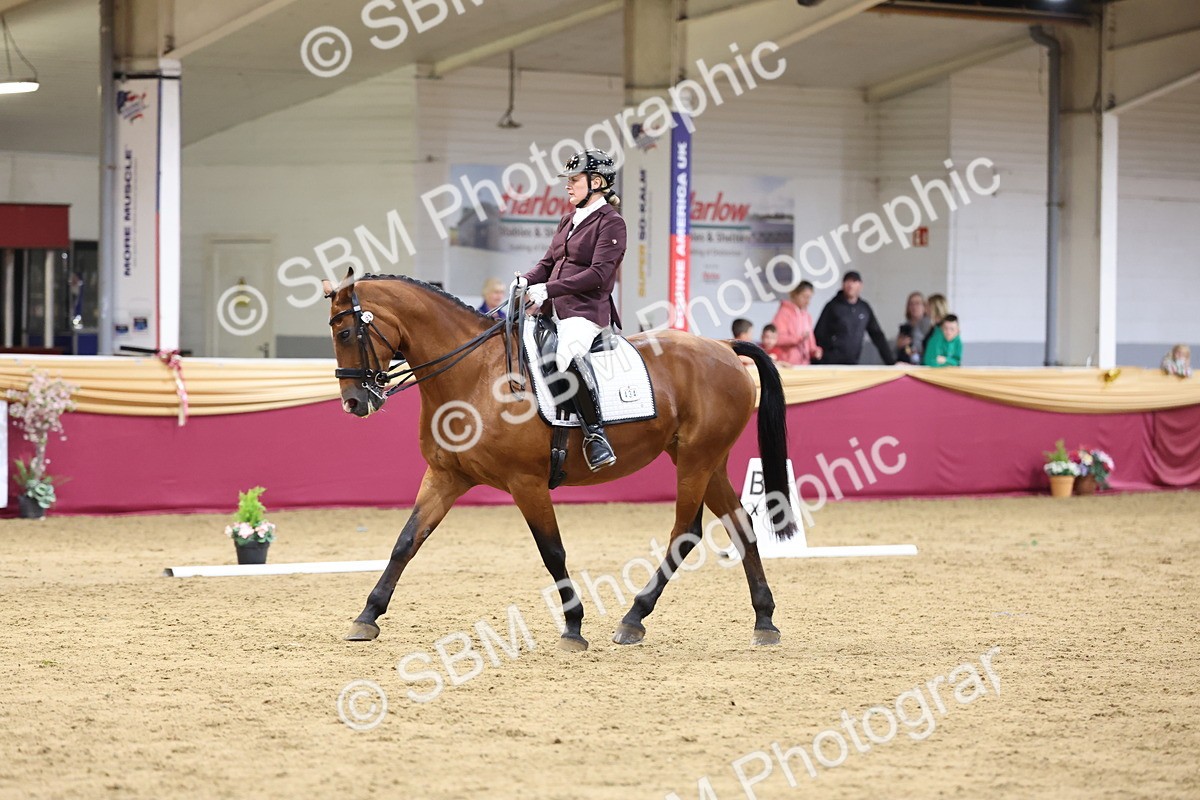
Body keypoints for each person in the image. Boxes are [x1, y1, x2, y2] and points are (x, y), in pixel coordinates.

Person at [520, 149, 625, 472]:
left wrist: (548, 288)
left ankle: (595, 436)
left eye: (574, 180)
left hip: (585, 313)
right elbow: (549, 262)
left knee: (565, 357)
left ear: (596, 183)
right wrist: (525, 280)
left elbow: (598, 275)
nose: (568, 186)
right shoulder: (568, 219)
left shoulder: (612, 223)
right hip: (552, 310)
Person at [812, 271, 894, 365]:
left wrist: (891, 362)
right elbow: (819, 334)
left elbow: (877, 335)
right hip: (830, 363)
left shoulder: (864, 308)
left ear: (860, 285)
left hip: (852, 362)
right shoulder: (832, 306)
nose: (850, 285)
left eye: (854, 281)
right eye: (847, 281)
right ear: (843, 285)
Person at [771, 280, 822, 366]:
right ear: (795, 295)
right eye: (805, 297)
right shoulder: (783, 313)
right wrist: (798, 339)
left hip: (804, 363)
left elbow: (810, 340)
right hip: (787, 363)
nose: (807, 301)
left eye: (809, 298)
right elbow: (777, 338)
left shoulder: (807, 316)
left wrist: (815, 350)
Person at [901, 291, 931, 360]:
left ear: (924, 306)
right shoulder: (905, 326)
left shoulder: (929, 325)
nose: (914, 307)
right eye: (911, 304)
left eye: (917, 303)